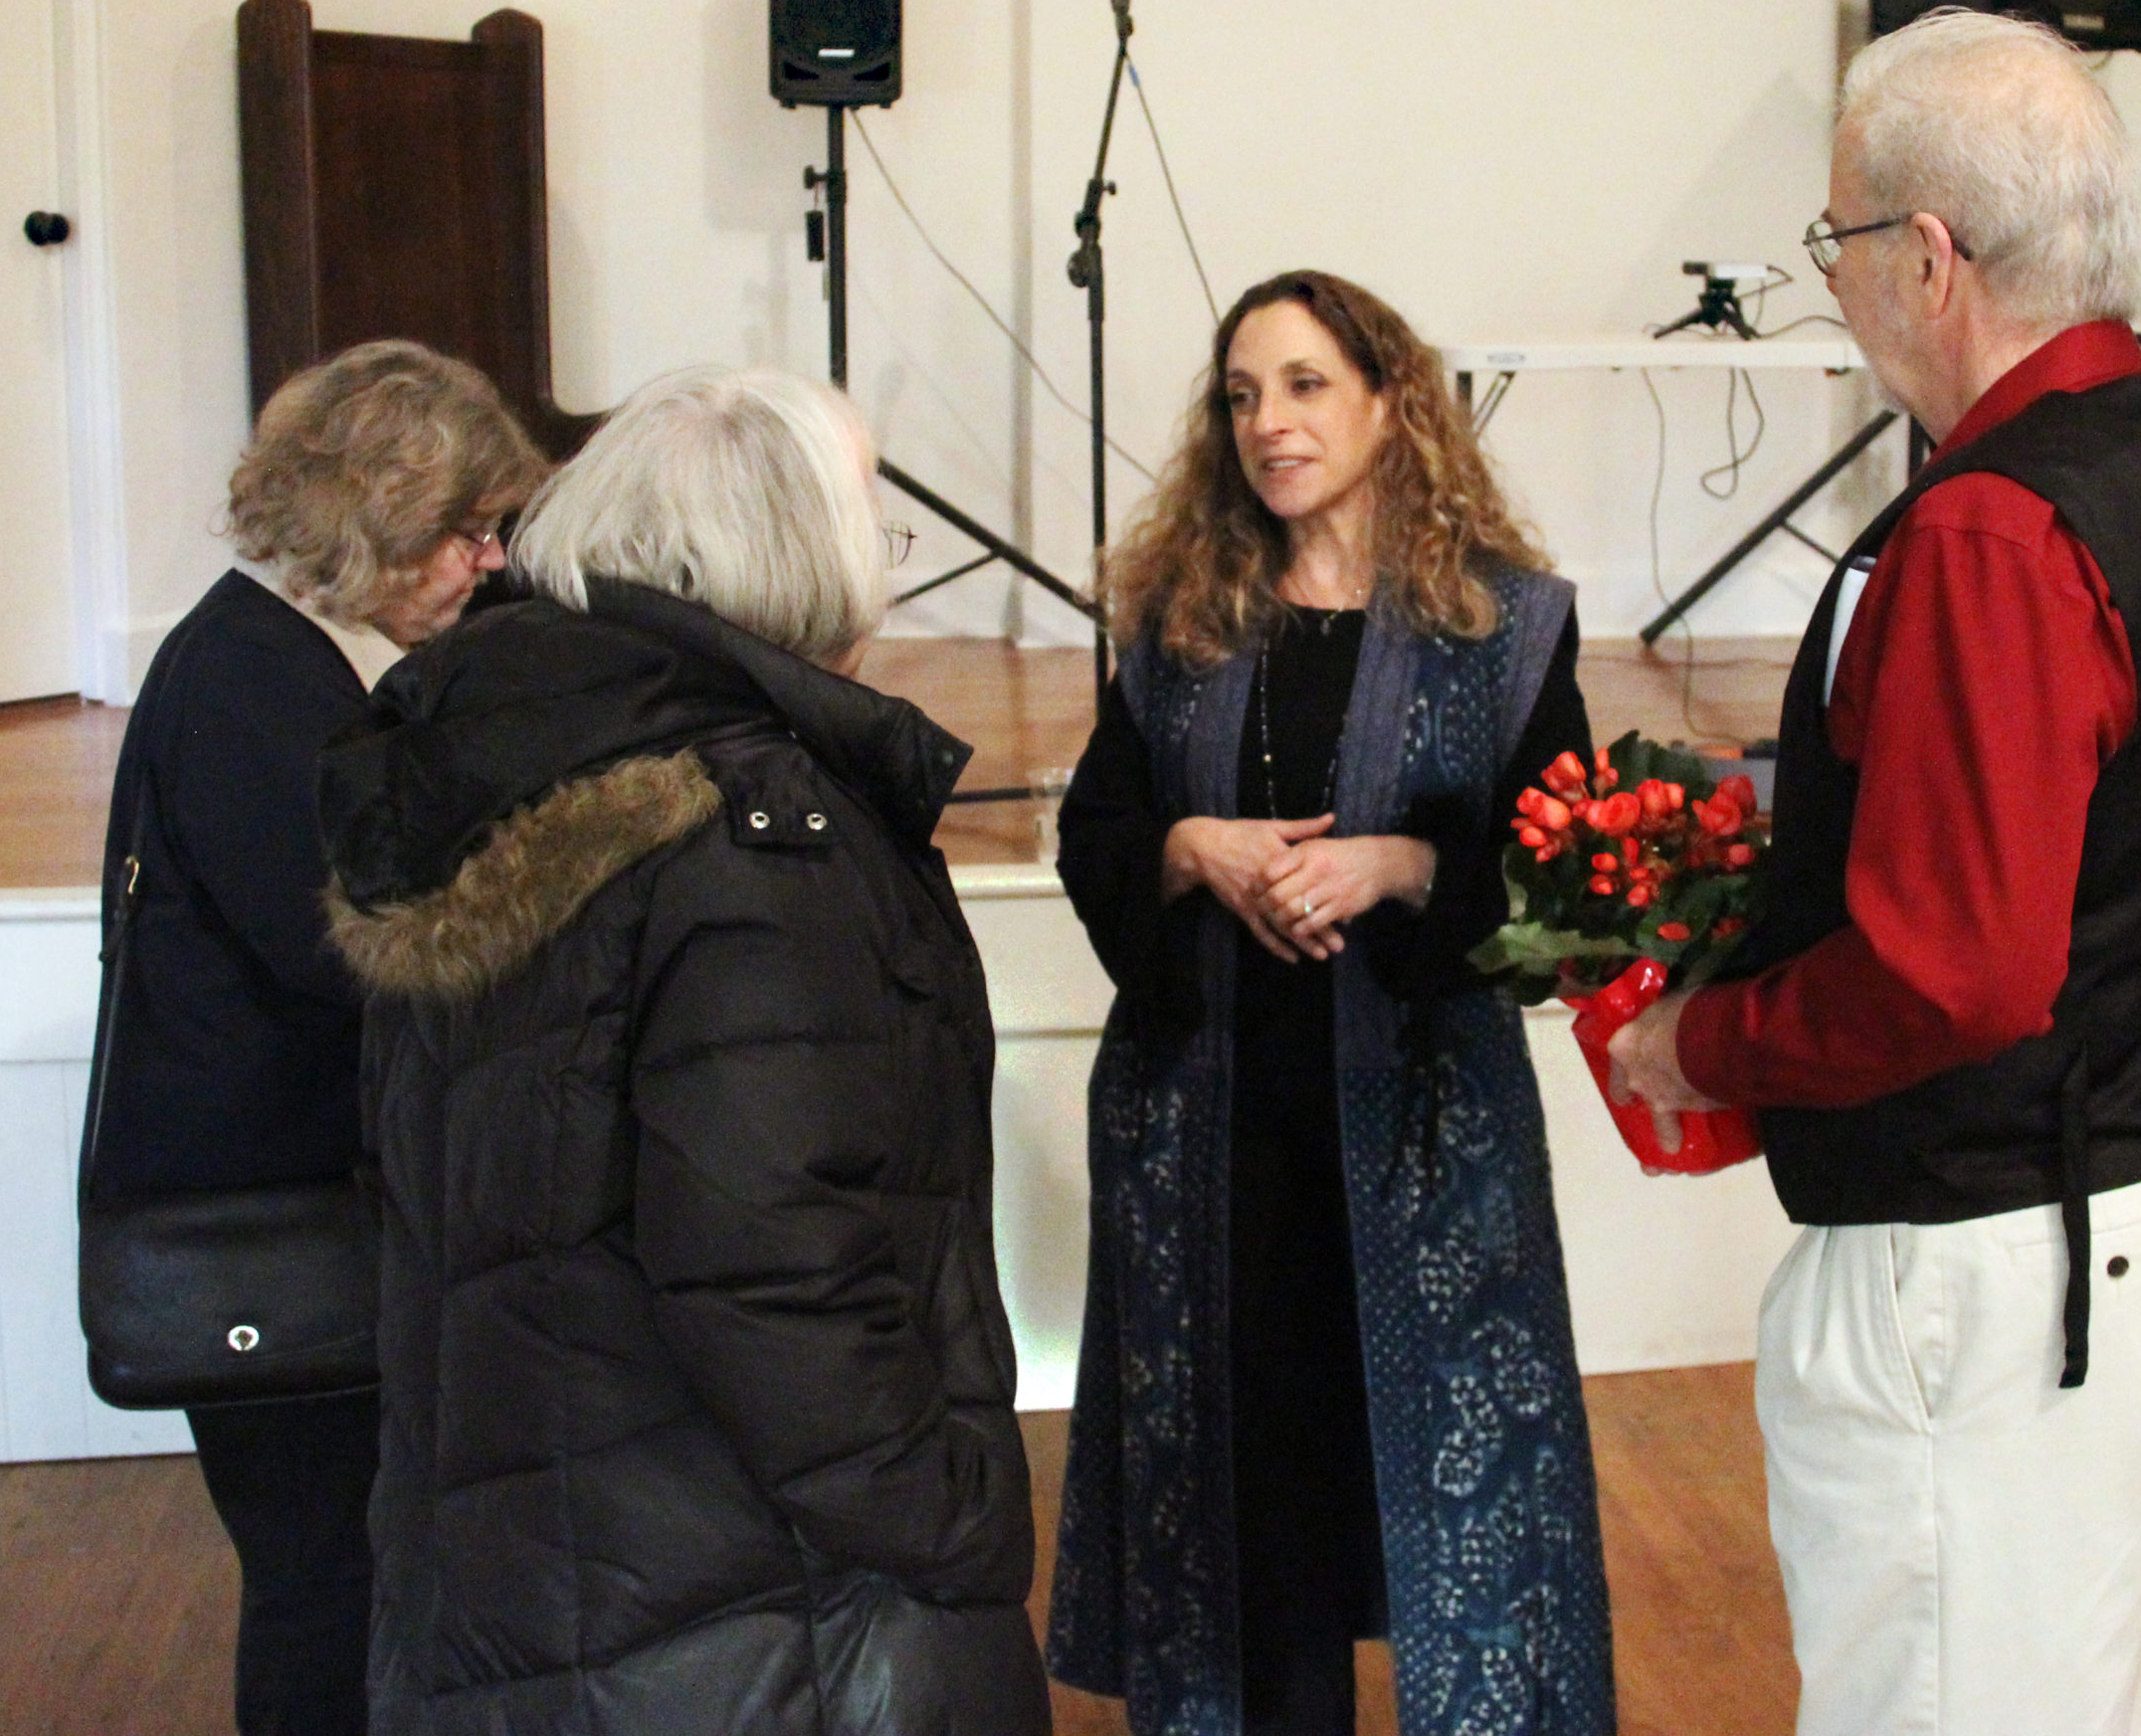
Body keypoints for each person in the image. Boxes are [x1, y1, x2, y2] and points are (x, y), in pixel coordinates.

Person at [1605, 11, 2141, 1736]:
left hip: (2005, 1253)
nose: (1831, 280)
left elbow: (1954, 971)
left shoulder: (1994, 528)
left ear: (1928, 258)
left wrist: (1700, 1044)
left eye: (1836, 239)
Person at [317, 364, 1050, 1736]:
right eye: (872, 528)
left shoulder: (493, 771)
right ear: (795, 558)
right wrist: (954, 1523)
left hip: (519, 1588)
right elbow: (773, 1273)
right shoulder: (752, 842)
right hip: (746, 1624)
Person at [1047, 270, 1614, 1736]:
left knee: (1451, 1497)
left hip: (1425, 1142)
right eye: (1243, 396)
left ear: (1387, 400)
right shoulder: (1182, 620)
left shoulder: (1505, 627)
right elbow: (1098, 833)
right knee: (1257, 1515)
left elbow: (1561, 876)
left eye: (1304, 386)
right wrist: (1192, 847)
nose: (1269, 424)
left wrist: (1403, 866)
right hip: (1216, 1143)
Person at [91, 339, 545, 1736]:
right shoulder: (252, 683)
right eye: (468, 532)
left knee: (346, 1569)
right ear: (376, 521)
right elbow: (356, 954)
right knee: (323, 1581)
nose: (488, 562)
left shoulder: (275, 657)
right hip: (266, 1218)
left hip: (285, 1200)